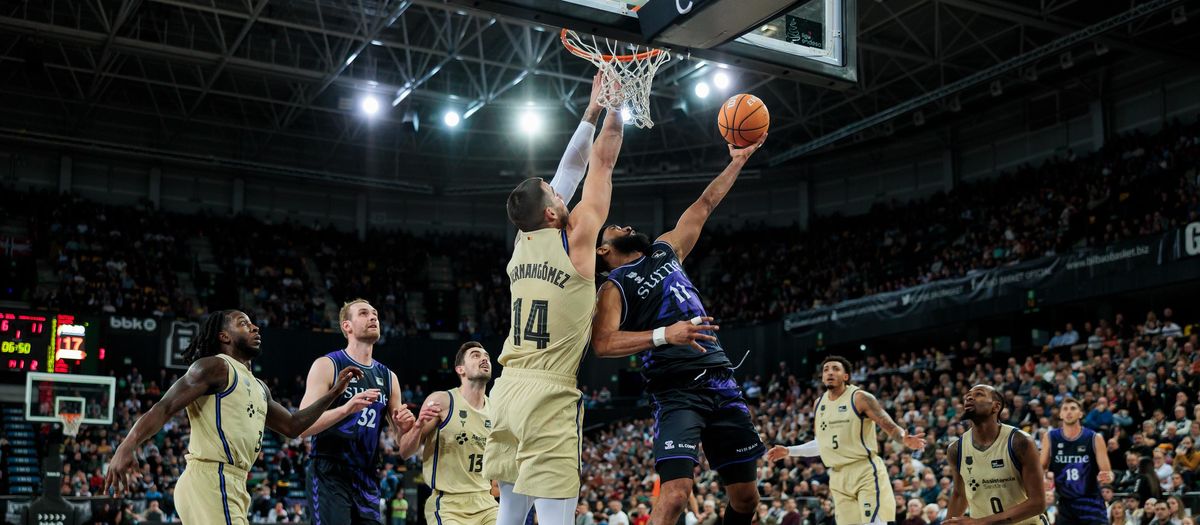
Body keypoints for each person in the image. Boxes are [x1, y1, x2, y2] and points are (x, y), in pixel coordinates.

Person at [591, 135, 767, 525]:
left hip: (720, 379)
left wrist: (737, 161)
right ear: (603, 251)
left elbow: (705, 205)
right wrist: (664, 335)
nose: (625, 225)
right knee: (675, 496)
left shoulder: (664, 249)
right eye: (615, 227)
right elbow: (602, 344)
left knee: (746, 499)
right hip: (676, 390)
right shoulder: (612, 287)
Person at [484, 93, 625, 525]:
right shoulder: (578, 238)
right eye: (553, 192)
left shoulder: (522, 242)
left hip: (506, 392)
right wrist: (618, 106)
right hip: (548, 393)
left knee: (509, 516)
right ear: (550, 211)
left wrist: (590, 110)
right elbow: (599, 163)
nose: (560, 186)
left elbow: (568, 171)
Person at [104, 310, 362, 524]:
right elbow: (164, 406)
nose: (255, 328)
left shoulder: (259, 387)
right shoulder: (215, 366)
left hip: (232, 482)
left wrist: (334, 392)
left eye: (253, 324)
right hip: (211, 477)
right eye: (244, 324)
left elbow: (293, 426)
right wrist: (127, 445)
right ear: (224, 335)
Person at [766, 356, 926, 525]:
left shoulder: (860, 397)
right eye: (826, 369)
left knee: (873, 522)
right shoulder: (818, 404)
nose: (830, 372)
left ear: (846, 376)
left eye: (835, 369)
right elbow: (822, 444)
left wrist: (903, 438)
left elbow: (889, 425)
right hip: (837, 475)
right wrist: (789, 451)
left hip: (864, 470)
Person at [299, 299, 417, 525]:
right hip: (329, 472)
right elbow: (302, 426)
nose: (373, 317)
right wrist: (346, 408)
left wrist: (407, 429)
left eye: (375, 313)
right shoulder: (328, 365)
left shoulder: (389, 378)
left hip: (368, 476)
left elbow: (405, 450)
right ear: (347, 326)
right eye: (364, 313)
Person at [396, 341, 497, 525]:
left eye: (487, 356)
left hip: (486, 503)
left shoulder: (496, 410)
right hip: (449, 505)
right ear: (460, 369)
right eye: (476, 355)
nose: (484, 359)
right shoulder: (442, 401)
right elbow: (404, 452)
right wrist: (418, 426)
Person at [945, 385, 1047, 525]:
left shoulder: (1020, 442)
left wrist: (980, 523)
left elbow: (1037, 503)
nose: (969, 397)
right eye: (968, 395)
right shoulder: (956, 449)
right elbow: (959, 495)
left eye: (979, 394)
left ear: (996, 406)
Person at [1039, 397, 1112, 525]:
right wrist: (1044, 479)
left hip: (1091, 502)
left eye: (1073, 408)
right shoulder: (1050, 437)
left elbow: (1108, 473)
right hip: (1065, 503)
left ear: (1080, 414)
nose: (1069, 412)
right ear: (1060, 414)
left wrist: (1107, 477)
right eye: (1065, 409)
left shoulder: (1094, 438)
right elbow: (1041, 467)